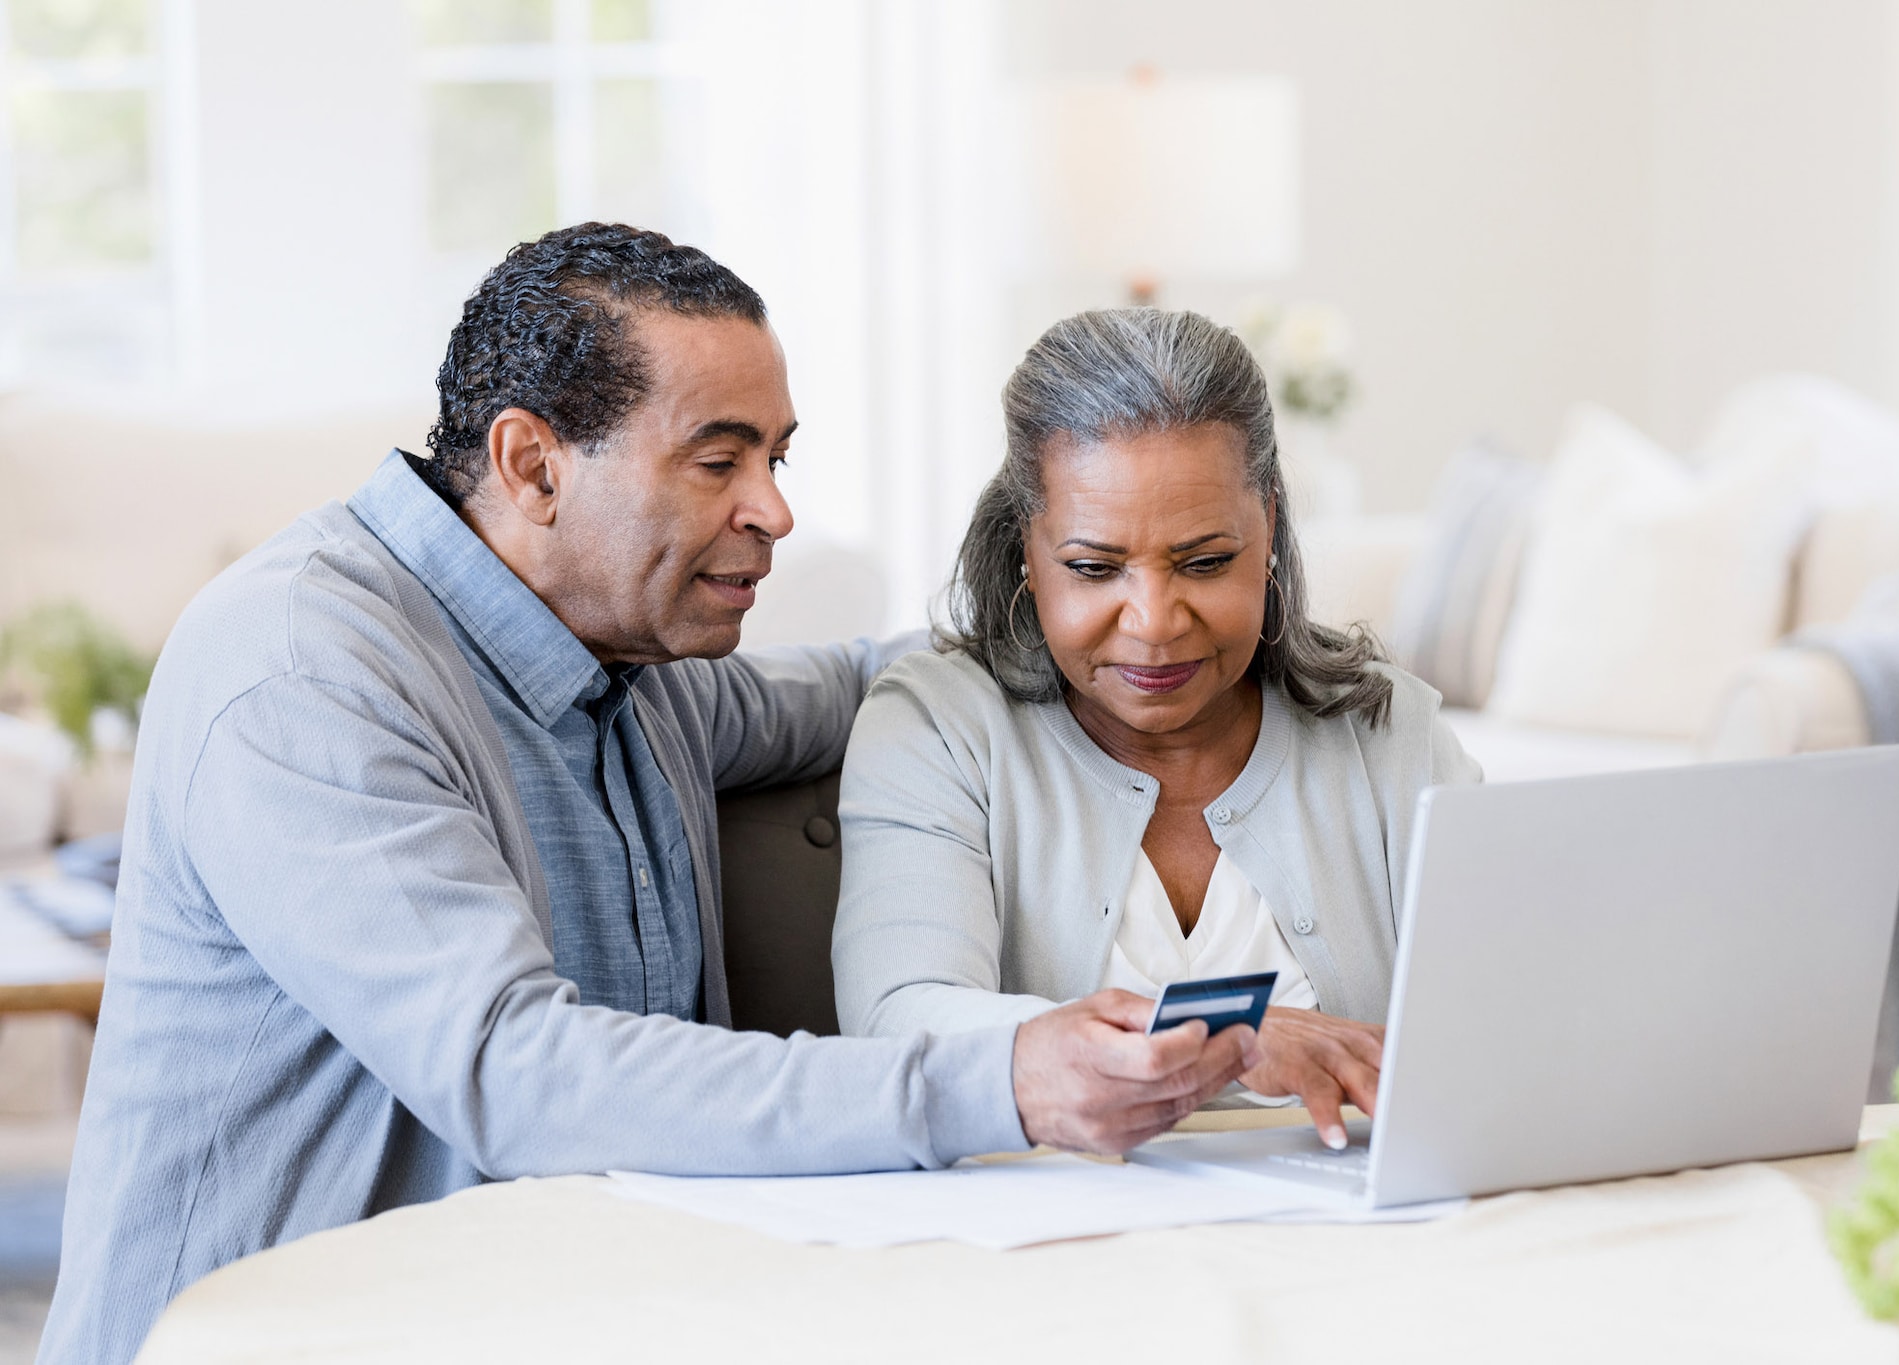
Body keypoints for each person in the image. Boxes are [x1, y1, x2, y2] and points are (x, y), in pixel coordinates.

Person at [38, 230, 1254, 1365]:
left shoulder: (638, 664)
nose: (773, 511)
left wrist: (1127, 628)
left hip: (573, 1317)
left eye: (775, 459)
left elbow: (871, 682)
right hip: (289, 1338)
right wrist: (999, 1079)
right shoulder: (303, 666)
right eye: (718, 461)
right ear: (532, 465)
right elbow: (513, 1069)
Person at [832, 308, 1481, 1151]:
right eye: (1094, 567)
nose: (1154, 621)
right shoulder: (938, 728)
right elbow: (898, 1021)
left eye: (1204, 562)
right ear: (1026, 546)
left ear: (1269, 526)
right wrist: (1230, 1035)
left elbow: (1499, 1018)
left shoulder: (1390, 731)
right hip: (1059, 1222)